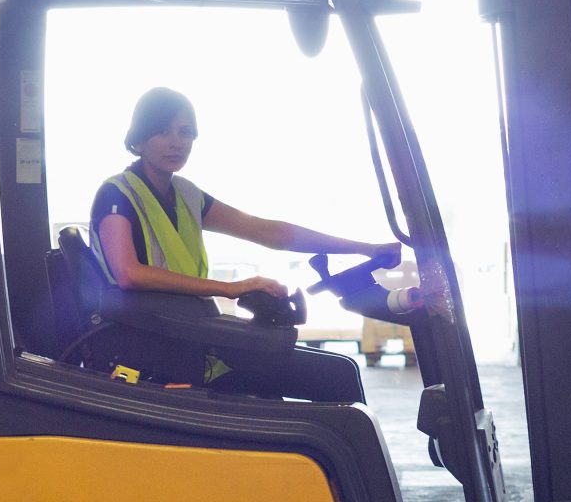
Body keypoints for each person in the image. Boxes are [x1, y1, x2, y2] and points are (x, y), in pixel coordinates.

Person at [93, 86, 399, 406]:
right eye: (162, 131)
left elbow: (270, 232)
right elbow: (129, 273)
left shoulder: (186, 195)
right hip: (154, 345)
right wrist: (231, 288)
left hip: (191, 333)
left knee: (341, 368)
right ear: (138, 139)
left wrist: (366, 248)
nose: (176, 142)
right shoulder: (117, 194)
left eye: (185, 132)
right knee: (334, 376)